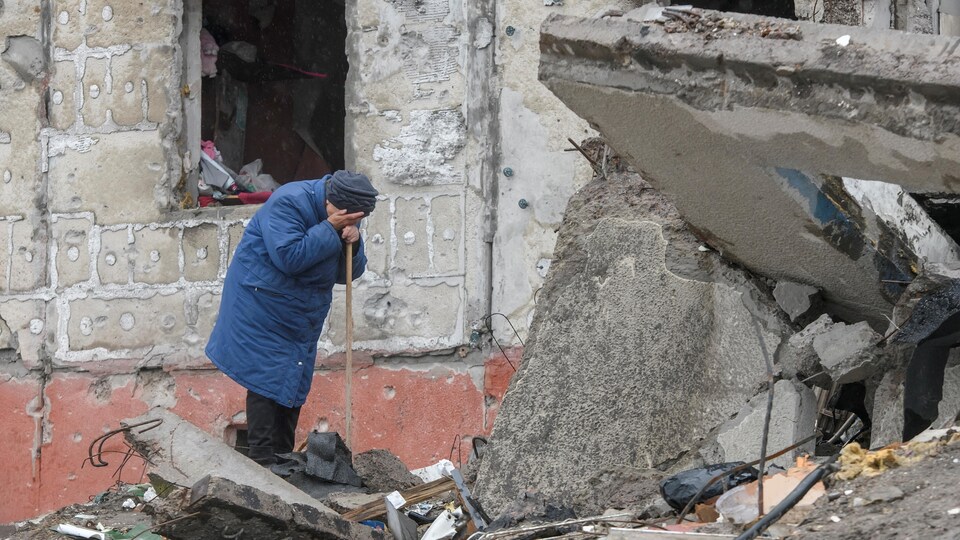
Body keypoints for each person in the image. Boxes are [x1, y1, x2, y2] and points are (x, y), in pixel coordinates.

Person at [206, 170, 379, 466]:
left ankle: (283, 458)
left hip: (300, 310)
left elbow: (347, 273)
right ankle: (261, 460)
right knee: (266, 377)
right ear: (330, 201)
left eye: (357, 219)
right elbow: (290, 257)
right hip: (260, 302)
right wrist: (329, 229)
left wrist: (353, 242)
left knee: (293, 379)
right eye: (348, 218)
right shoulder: (289, 203)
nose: (351, 222)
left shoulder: (344, 213)